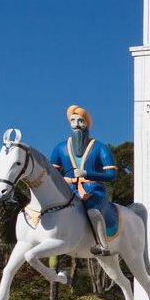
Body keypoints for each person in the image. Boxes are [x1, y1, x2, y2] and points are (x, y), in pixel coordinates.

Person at [51, 105, 120, 255]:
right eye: (73, 121)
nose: (76, 124)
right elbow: (52, 174)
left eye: (80, 121)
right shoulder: (60, 148)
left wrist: (87, 173)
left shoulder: (100, 148)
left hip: (94, 190)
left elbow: (111, 175)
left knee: (93, 211)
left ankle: (103, 245)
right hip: (68, 190)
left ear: (87, 124)